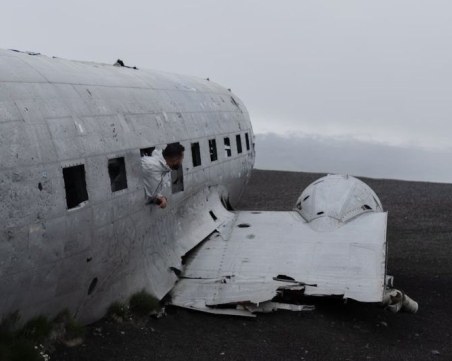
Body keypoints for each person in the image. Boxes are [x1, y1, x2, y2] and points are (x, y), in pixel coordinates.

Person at [141, 142, 185, 209]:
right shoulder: (153, 168)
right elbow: (150, 196)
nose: (182, 161)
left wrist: (161, 197)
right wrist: (162, 199)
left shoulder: (163, 166)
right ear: (175, 161)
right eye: (181, 159)